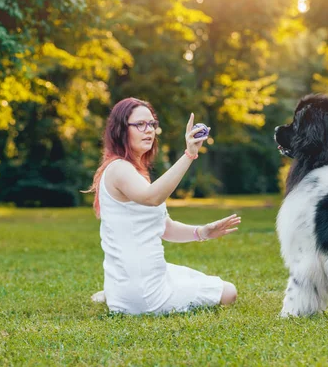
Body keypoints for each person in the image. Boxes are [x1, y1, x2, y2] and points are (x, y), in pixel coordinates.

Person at [86, 97, 240, 314]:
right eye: (140, 124)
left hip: (134, 283)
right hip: (145, 294)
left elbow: (163, 227)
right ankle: (117, 295)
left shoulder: (133, 171)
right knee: (228, 292)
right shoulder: (119, 169)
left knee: (183, 274)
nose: (148, 130)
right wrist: (190, 154)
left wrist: (202, 232)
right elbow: (152, 197)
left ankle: (111, 294)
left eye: (152, 124)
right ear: (120, 130)